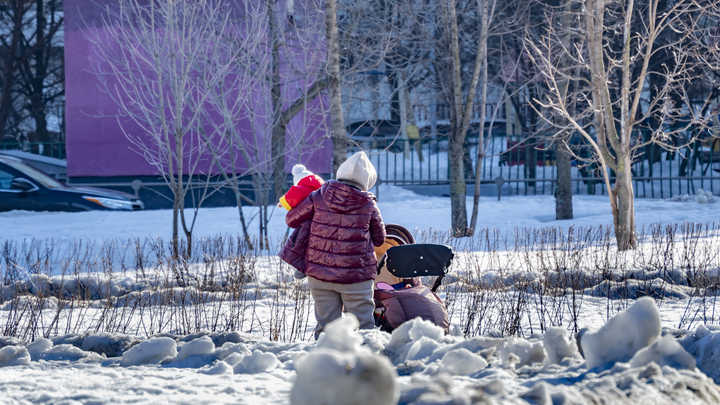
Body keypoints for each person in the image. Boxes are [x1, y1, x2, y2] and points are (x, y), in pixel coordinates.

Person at [285, 151, 386, 339]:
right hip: (356, 277)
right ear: (367, 181)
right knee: (361, 327)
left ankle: (326, 364)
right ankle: (363, 365)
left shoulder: (318, 196)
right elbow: (380, 239)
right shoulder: (369, 205)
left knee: (326, 328)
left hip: (319, 274)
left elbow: (292, 219)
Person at [277, 164, 325, 280]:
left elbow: (292, 196)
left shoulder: (303, 187)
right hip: (323, 219)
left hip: (309, 221)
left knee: (301, 241)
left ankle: (302, 267)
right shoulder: (322, 186)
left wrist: (281, 203)